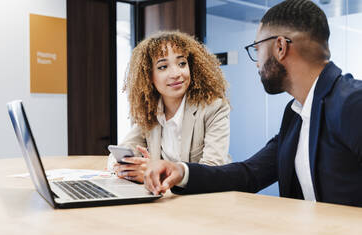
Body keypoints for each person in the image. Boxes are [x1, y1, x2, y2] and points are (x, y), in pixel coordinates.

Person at [142, 0, 362, 207]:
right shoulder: (296, 113)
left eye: (257, 49)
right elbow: (249, 174)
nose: (256, 62)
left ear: (280, 47)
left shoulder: (353, 103)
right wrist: (181, 171)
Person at [110, 31, 231, 183]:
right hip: (167, 199)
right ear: (148, 76)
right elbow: (121, 151)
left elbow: (212, 169)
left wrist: (155, 171)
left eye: (182, 64)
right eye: (163, 67)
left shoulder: (214, 108)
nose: (175, 73)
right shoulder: (150, 111)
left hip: (207, 199)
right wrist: (129, 165)